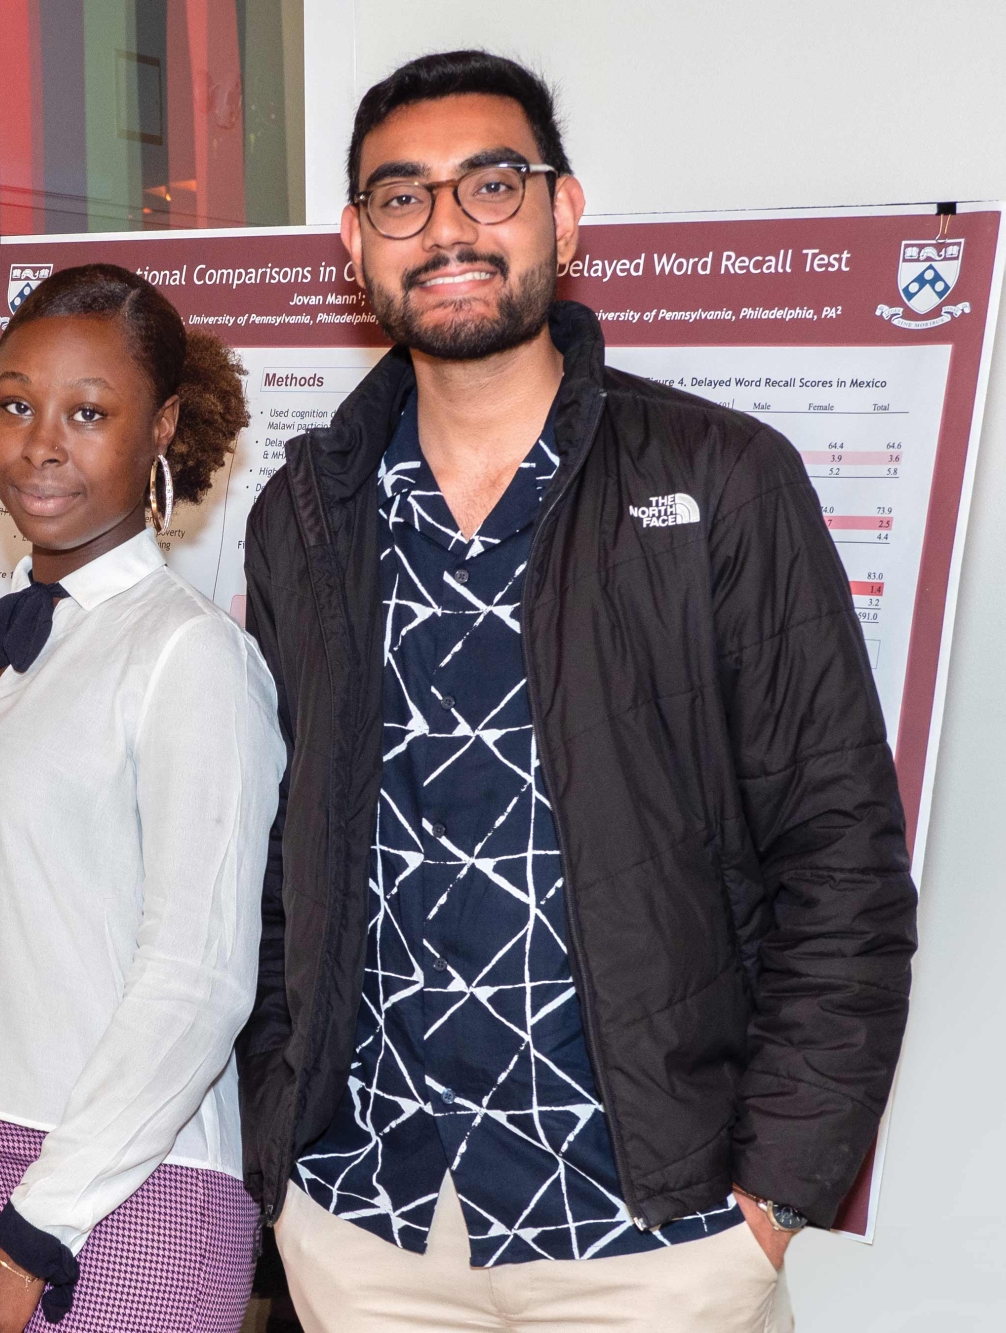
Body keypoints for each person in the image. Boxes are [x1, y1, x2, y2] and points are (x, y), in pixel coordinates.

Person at [237, 50, 917, 1333]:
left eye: (489, 184)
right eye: (400, 197)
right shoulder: (305, 518)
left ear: (562, 212)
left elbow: (839, 861)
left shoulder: (721, 479)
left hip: (654, 1237)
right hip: (366, 1228)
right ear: (351, 241)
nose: (445, 227)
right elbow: (276, 865)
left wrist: (772, 1195)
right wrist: (282, 1149)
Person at [0, 263, 285, 1333]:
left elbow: (196, 979)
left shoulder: (190, 657)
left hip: (127, 1192)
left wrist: (34, 1231)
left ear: (161, 429)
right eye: (15, 405)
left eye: (87, 413)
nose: (39, 443)